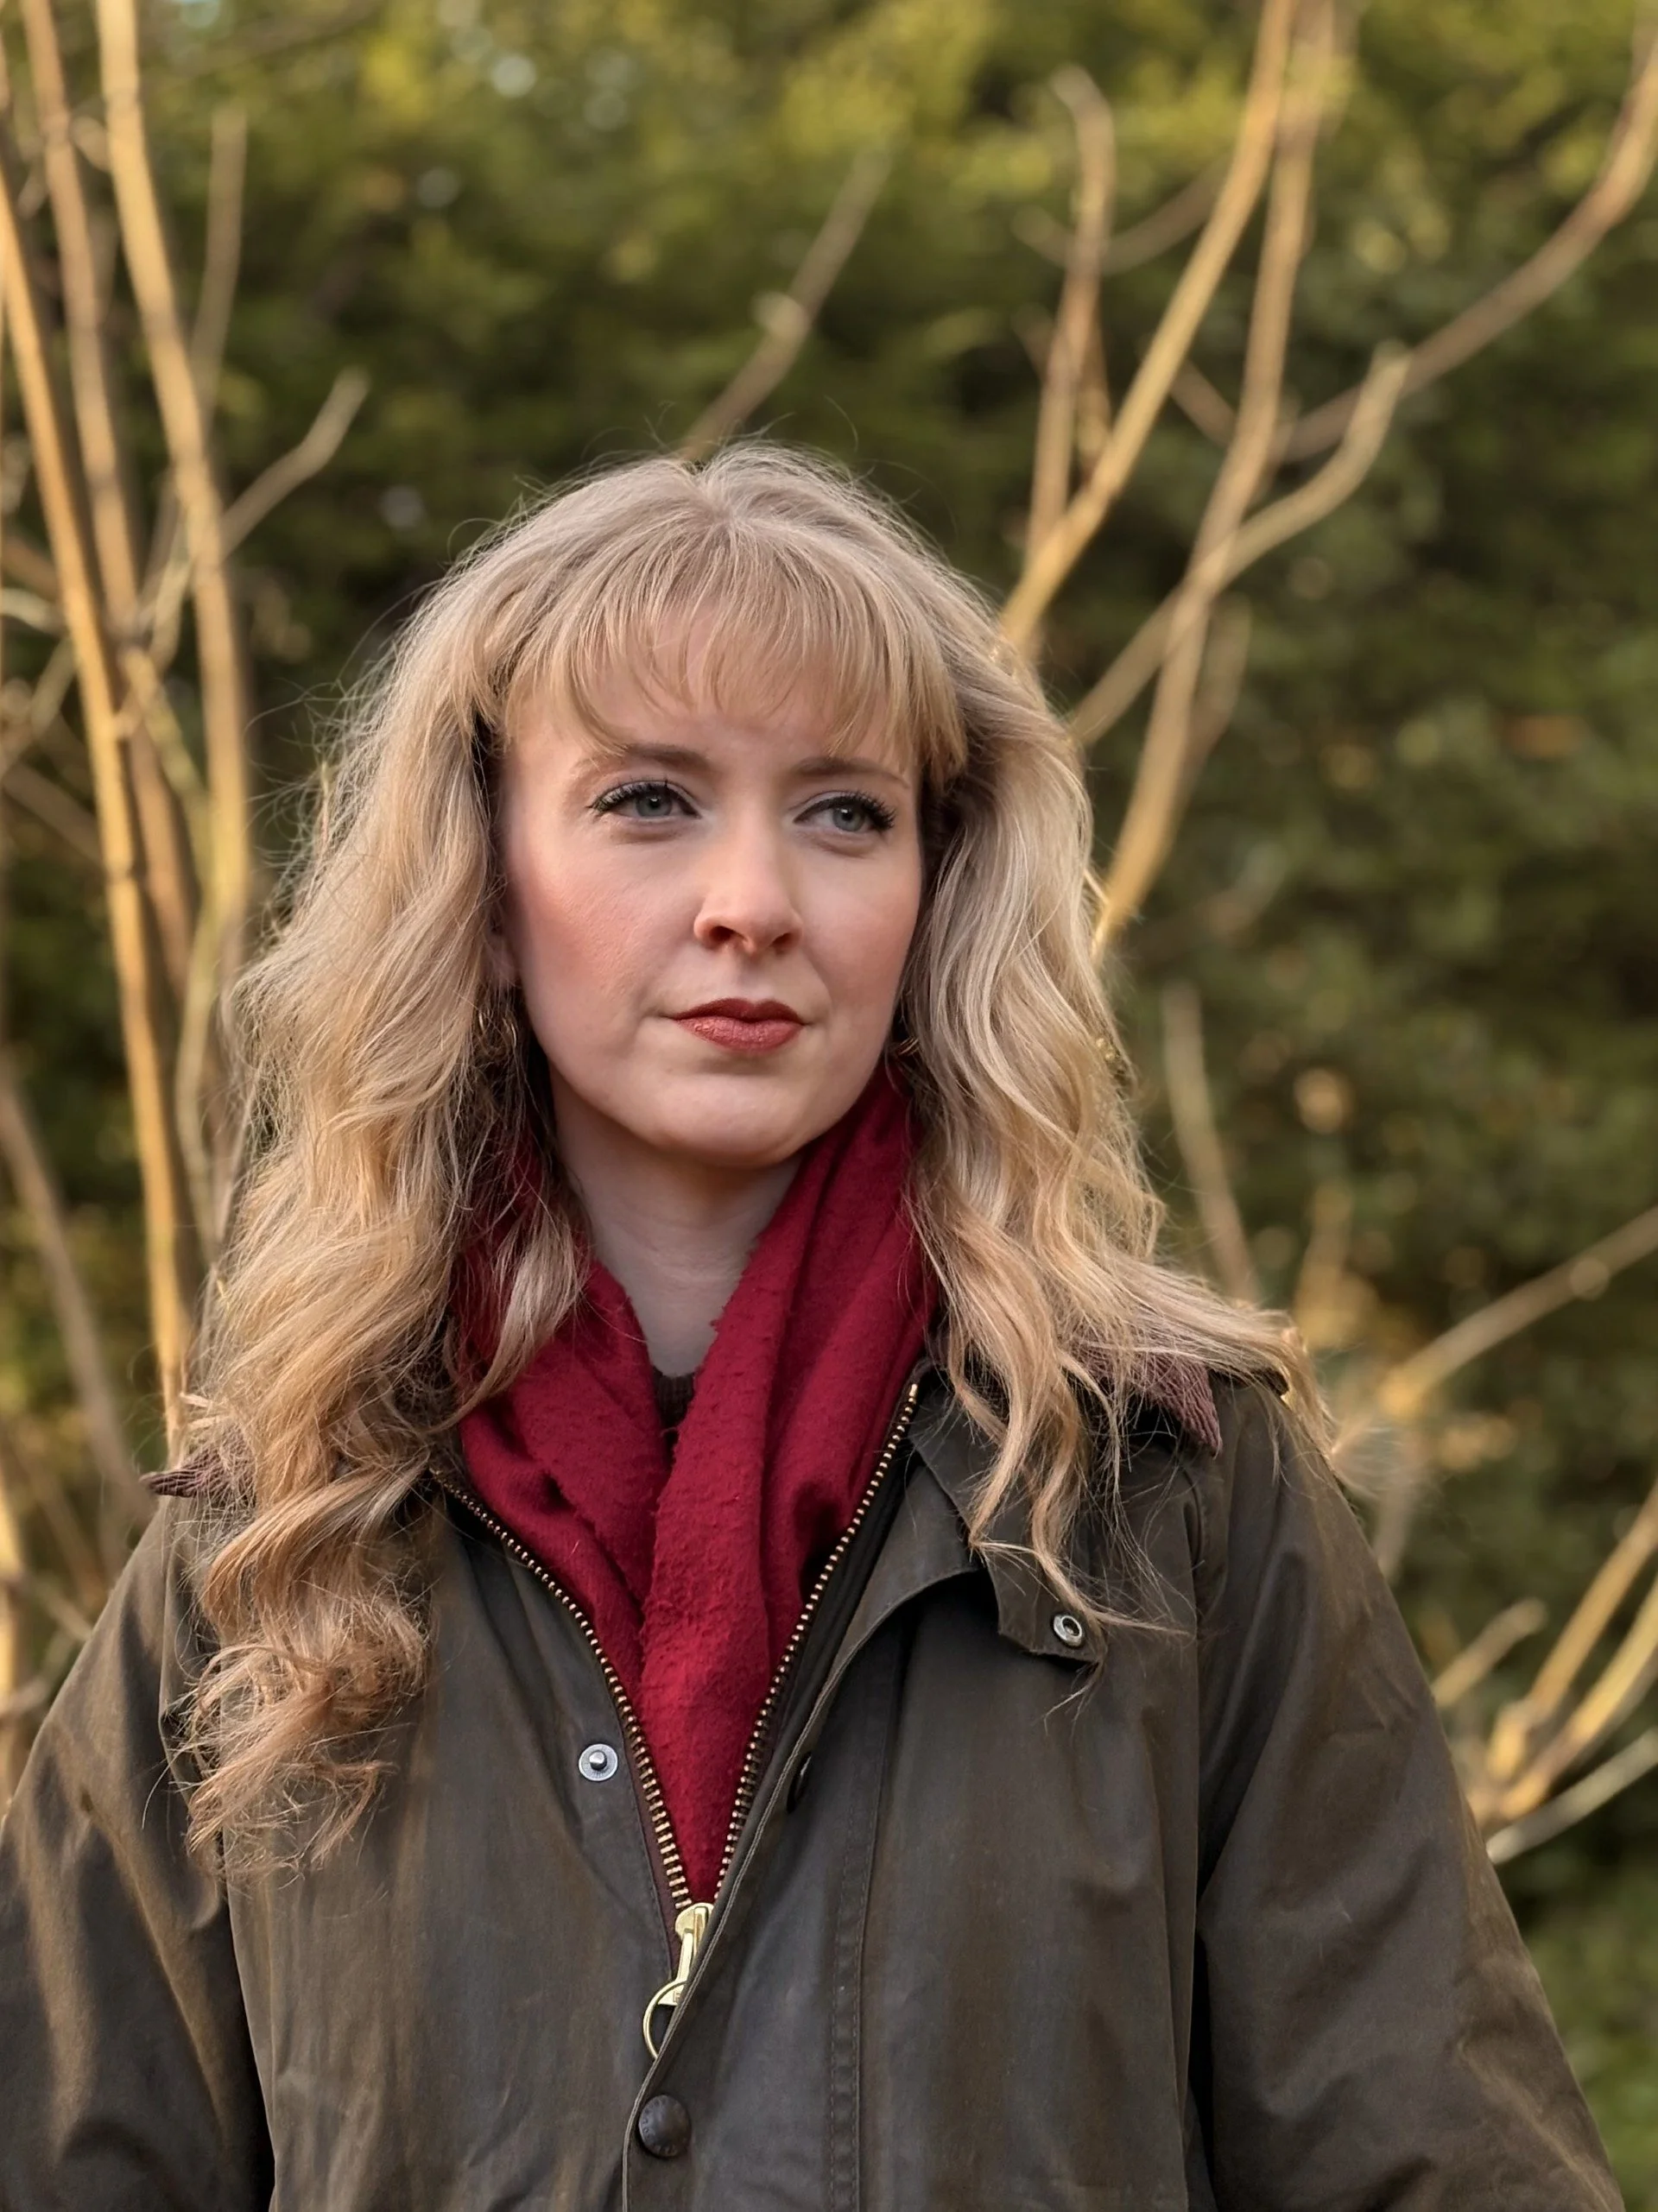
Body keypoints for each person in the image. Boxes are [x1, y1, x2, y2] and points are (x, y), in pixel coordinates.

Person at [0, 446, 1618, 2210]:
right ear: (480, 873)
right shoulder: (267, 1550)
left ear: (939, 888)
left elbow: (1439, 2169)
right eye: (647, 800)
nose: (753, 901)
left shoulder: (1170, 1504)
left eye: (846, 811)